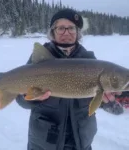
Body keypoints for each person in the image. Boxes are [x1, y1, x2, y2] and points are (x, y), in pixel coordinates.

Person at [16, 8, 122, 150]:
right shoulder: (40, 60)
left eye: (71, 28)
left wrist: (109, 103)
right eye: (61, 28)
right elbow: (21, 100)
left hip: (81, 141)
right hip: (44, 142)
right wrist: (32, 98)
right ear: (53, 31)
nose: (67, 32)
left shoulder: (90, 61)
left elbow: (97, 99)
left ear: (78, 32)